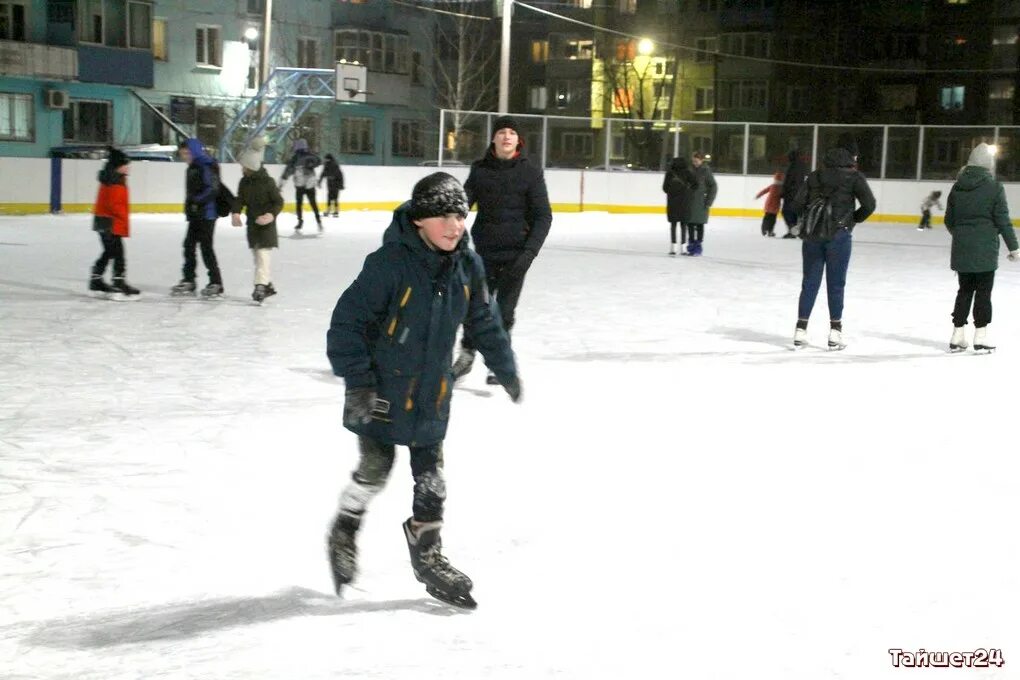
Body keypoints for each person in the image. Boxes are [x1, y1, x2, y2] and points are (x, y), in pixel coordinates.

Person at [325, 172, 522, 609]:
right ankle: (346, 525)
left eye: (460, 215)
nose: (455, 226)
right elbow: (346, 326)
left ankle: (429, 558)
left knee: (432, 481)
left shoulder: (467, 265)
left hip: (432, 393)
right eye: (444, 216)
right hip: (379, 391)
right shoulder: (389, 264)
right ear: (419, 220)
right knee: (375, 469)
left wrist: (505, 368)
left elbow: (484, 321)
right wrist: (358, 380)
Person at [452, 115, 552, 384]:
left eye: (512, 132)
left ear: (519, 139)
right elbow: (462, 206)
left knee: (505, 313)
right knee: (476, 307)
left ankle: (497, 364)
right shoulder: (480, 170)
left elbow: (543, 216)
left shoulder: (530, 171)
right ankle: (467, 353)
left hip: (516, 256)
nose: (507, 136)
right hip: (484, 252)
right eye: (502, 132)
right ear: (494, 138)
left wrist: (528, 254)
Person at [790, 133, 876, 350]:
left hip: (812, 235)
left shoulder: (815, 176)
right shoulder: (854, 177)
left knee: (810, 282)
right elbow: (870, 205)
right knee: (836, 284)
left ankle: (800, 330)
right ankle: (835, 333)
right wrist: (852, 219)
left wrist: (801, 224)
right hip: (839, 234)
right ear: (852, 155)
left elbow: (795, 205)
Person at [945, 143, 1018, 353]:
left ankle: (957, 335)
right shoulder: (995, 188)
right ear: (989, 165)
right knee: (983, 293)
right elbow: (1003, 221)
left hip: (962, 249)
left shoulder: (957, 187)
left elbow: (950, 220)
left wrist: (962, 237)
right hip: (985, 250)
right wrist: (1014, 248)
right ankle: (981, 336)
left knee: (964, 290)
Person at [232, 137, 284, 304]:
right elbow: (240, 199)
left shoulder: (268, 182)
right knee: (258, 257)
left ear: (251, 167)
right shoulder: (244, 182)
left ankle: (260, 286)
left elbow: (278, 201)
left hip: (266, 227)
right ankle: (267, 285)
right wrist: (236, 213)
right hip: (252, 226)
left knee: (263, 256)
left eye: (244, 166)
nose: (242, 169)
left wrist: (271, 215)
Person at [171, 139, 224, 298]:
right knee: (188, 245)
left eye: (187, 153)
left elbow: (213, 189)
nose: (185, 157)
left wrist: (196, 201)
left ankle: (216, 282)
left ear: (194, 151)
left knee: (206, 247)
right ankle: (189, 280)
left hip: (207, 214)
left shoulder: (206, 165)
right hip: (196, 213)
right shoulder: (192, 167)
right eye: (182, 154)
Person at [90, 147, 139, 298]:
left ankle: (96, 279)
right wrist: (123, 219)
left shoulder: (111, 178)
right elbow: (115, 205)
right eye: (125, 165)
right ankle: (118, 281)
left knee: (109, 251)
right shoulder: (115, 181)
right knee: (118, 253)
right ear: (118, 166)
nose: (128, 167)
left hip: (103, 221)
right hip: (111, 223)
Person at [280, 138, 322, 234]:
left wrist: (281, 184)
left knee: (299, 204)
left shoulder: (295, 158)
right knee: (313, 204)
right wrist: (312, 164)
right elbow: (319, 161)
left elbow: (288, 171)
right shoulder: (311, 155)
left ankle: (300, 222)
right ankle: (319, 222)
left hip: (300, 185)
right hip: (310, 184)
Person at [662, 156, 697, 256]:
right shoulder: (688, 172)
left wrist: (672, 192)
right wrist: (688, 192)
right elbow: (696, 185)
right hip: (685, 202)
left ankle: (672, 247)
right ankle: (683, 248)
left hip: (672, 202)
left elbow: (664, 188)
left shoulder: (669, 173)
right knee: (683, 225)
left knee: (673, 225)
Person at [686, 151, 717, 255]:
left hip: (701, 202)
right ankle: (691, 243)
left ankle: (698, 245)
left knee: (699, 224)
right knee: (689, 224)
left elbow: (713, 186)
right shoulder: (689, 170)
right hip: (690, 202)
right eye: (693, 161)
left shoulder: (706, 171)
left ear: (701, 160)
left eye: (696, 161)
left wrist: (708, 201)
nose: (695, 163)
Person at [781, 150, 809, 238]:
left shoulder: (793, 166)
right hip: (798, 193)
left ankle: (793, 231)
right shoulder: (801, 166)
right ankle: (796, 231)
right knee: (794, 213)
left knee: (787, 212)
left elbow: (789, 181)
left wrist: (784, 191)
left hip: (791, 194)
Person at [755, 171, 784, 237]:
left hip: (769, 204)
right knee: (772, 219)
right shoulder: (782, 187)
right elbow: (783, 195)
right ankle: (770, 231)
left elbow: (764, 191)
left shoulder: (772, 186)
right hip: (775, 206)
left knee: (766, 218)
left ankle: (764, 229)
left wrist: (758, 196)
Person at [320, 153, 345, 218]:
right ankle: (333, 211)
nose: (325, 160)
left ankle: (333, 211)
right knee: (332, 197)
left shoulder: (333, 165)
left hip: (334, 183)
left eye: (326, 159)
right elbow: (323, 173)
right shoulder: (328, 165)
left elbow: (339, 175)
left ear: (328, 159)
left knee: (332, 197)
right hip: (332, 183)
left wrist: (341, 184)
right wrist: (320, 181)